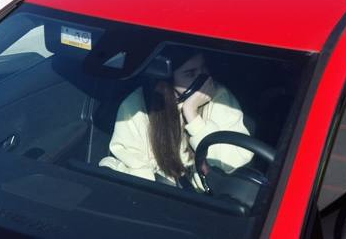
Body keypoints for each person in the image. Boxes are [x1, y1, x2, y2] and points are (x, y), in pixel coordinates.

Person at [99, 47, 251, 188]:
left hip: (203, 202)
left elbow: (234, 161)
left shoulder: (218, 97)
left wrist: (192, 115)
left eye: (203, 68)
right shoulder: (139, 104)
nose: (202, 79)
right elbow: (129, 163)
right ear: (168, 78)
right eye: (190, 73)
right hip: (156, 198)